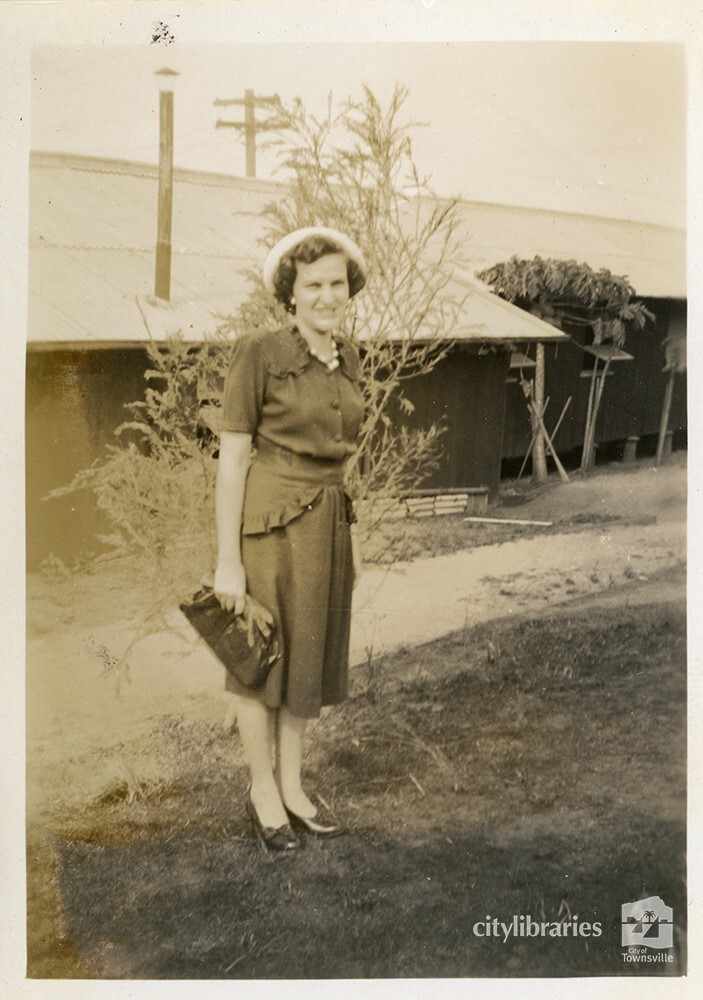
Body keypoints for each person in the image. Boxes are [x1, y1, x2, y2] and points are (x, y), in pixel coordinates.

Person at [213, 227, 366, 852]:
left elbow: (343, 456)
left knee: (308, 657)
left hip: (327, 523)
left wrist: (349, 538)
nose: (326, 296)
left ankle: (293, 786)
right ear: (291, 294)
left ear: (347, 290)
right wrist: (227, 560)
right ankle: (262, 792)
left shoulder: (350, 357)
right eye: (313, 285)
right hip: (270, 525)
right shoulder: (260, 352)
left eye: (336, 283)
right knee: (260, 661)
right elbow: (232, 460)